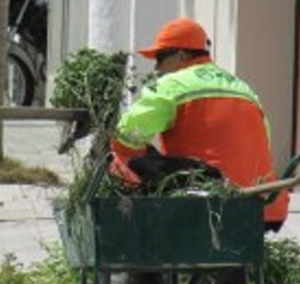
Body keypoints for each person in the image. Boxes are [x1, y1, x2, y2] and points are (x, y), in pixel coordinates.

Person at [111, 16, 289, 229]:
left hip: (207, 205)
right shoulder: (242, 87)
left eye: (160, 58)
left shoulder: (173, 85)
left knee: (122, 159)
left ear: (181, 55)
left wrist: (122, 154)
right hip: (263, 207)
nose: (157, 68)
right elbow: (264, 142)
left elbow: (128, 135)